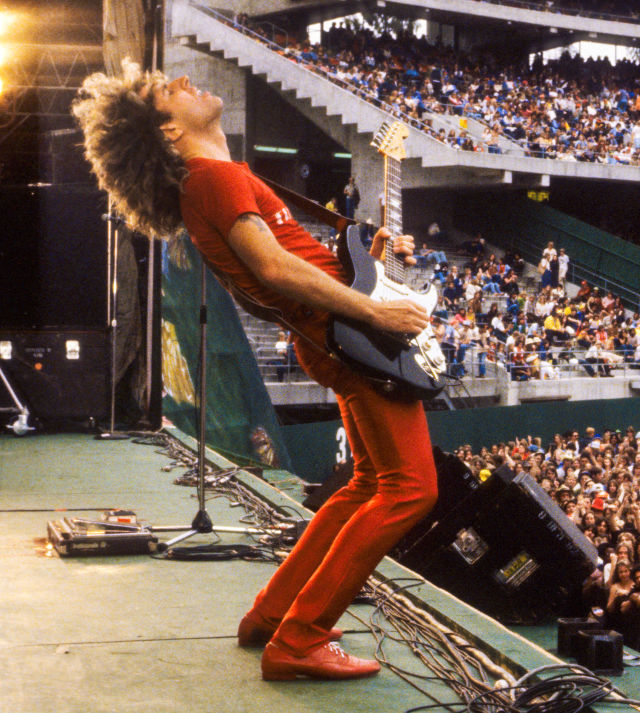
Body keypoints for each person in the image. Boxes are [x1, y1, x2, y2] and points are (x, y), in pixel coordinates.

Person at [73, 63, 438, 682]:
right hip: (347, 335)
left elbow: (296, 260)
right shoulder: (212, 180)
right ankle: (300, 638)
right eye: (170, 89)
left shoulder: (217, 179)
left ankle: (271, 615)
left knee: (366, 483)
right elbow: (271, 269)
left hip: (332, 334)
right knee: (410, 489)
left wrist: (368, 266)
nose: (186, 81)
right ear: (165, 132)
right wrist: (374, 308)